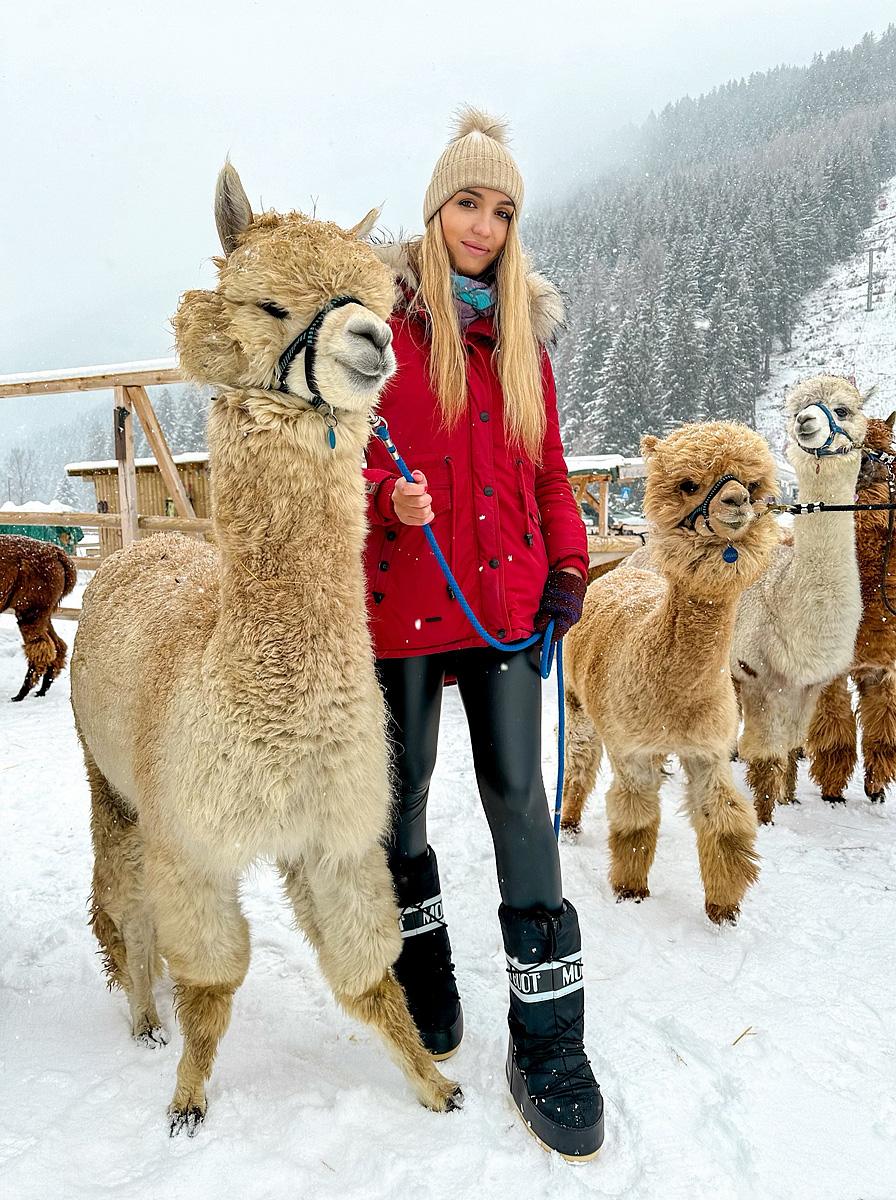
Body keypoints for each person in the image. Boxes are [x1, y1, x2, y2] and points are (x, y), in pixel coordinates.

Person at [362, 107, 603, 1161]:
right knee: (402, 793)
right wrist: (385, 499)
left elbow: (547, 472)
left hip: (503, 602)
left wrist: (567, 564)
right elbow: (341, 454)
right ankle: (421, 966)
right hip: (404, 601)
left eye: (502, 211)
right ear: (435, 209)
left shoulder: (520, 346)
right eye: (468, 203)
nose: (484, 226)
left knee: (519, 801)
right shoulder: (379, 332)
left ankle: (548, 1035)